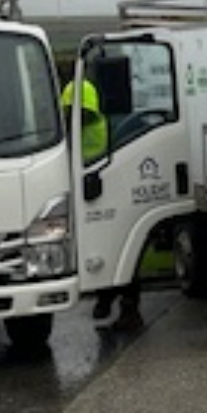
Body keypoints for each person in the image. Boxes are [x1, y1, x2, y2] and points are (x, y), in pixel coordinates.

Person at [60, 77, 140, 330]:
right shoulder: (103, 126)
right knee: (108, 252)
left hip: (99, 195)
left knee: (113, 252)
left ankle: (122, 305)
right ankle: (111, 301)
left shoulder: (77, 131)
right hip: (97, 196)